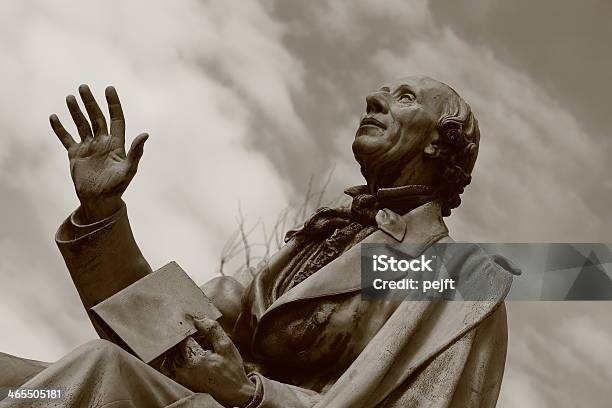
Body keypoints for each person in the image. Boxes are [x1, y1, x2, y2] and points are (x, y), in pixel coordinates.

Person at [0, 76, 513, 407]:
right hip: (202, 399)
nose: (374, 97)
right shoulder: (325, 235)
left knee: (98, 366)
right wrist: (103, 213)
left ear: (438, 141)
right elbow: (172, 343)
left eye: (405, 98)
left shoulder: (451, 273)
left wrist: (250, 393)